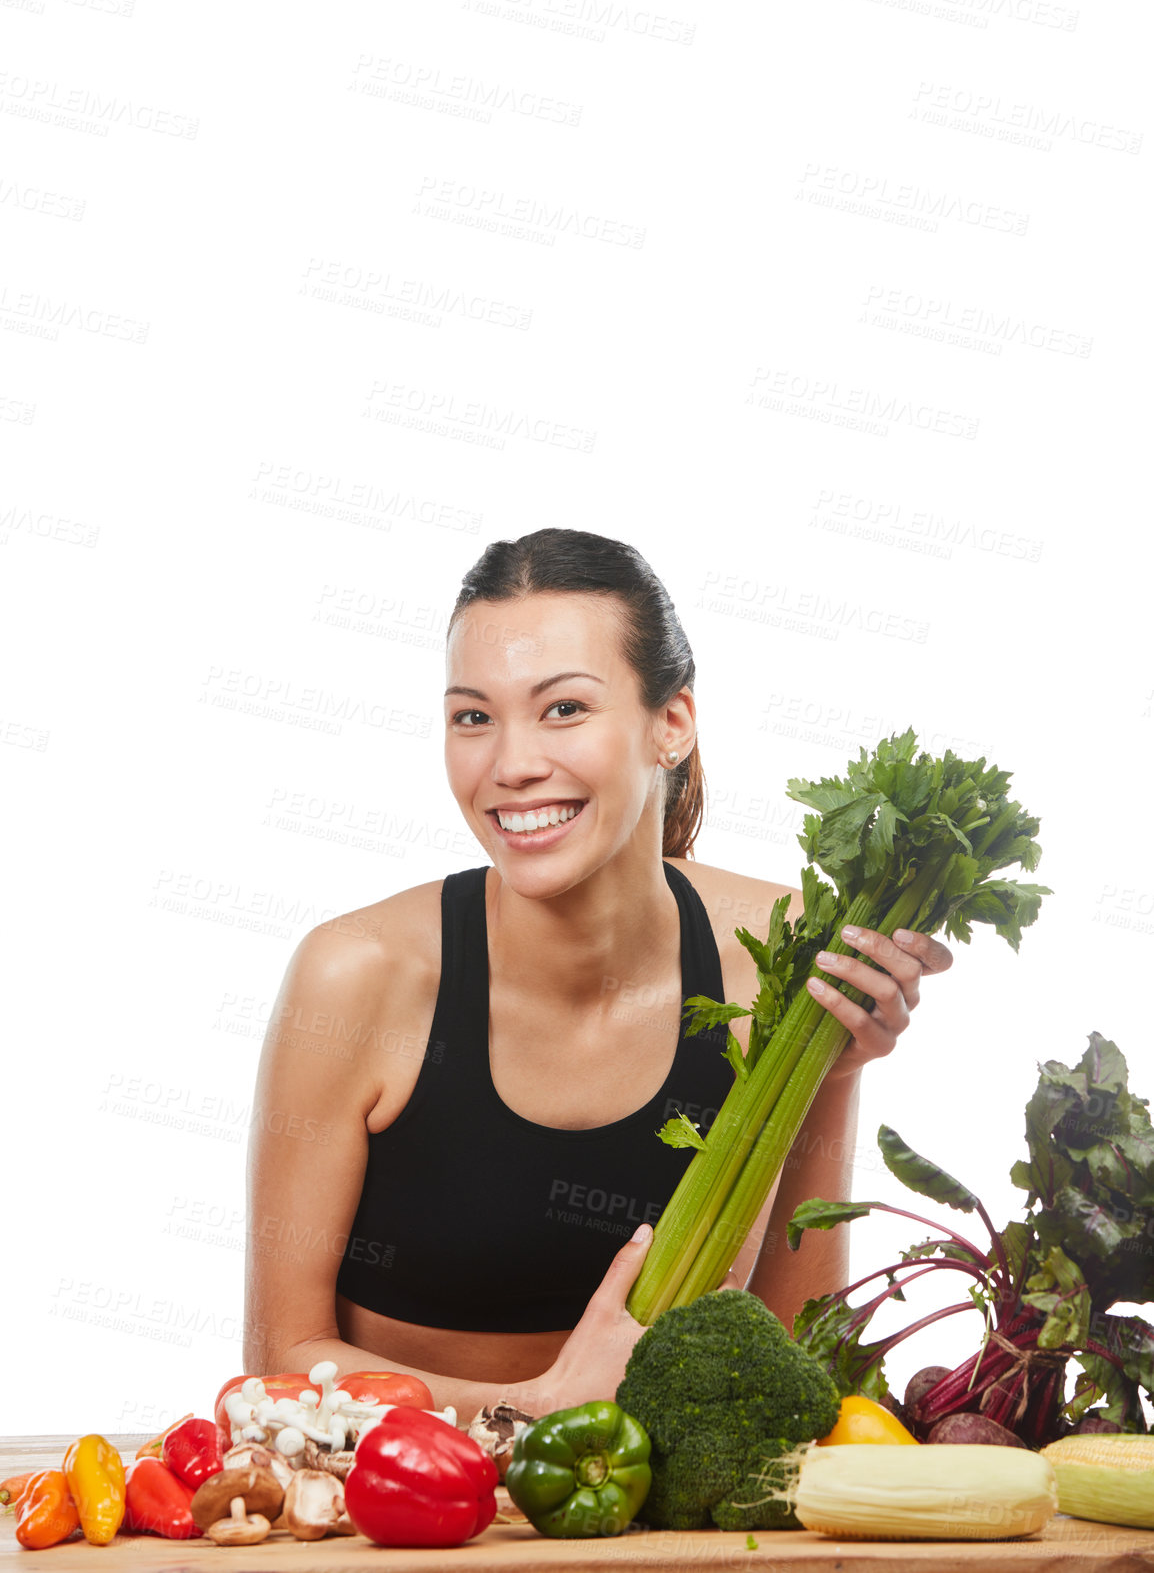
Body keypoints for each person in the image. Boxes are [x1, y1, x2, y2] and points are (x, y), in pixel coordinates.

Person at [244, 529, 952, 1418]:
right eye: (473, 716)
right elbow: (277, 1364)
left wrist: (832, 1070)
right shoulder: (357, 977)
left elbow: (790, 1353)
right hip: (402, 1525)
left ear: (672, 723)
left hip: (656, 1526)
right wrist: (536, 1408)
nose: (511, 765)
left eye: (565, 708)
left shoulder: (777, 953)